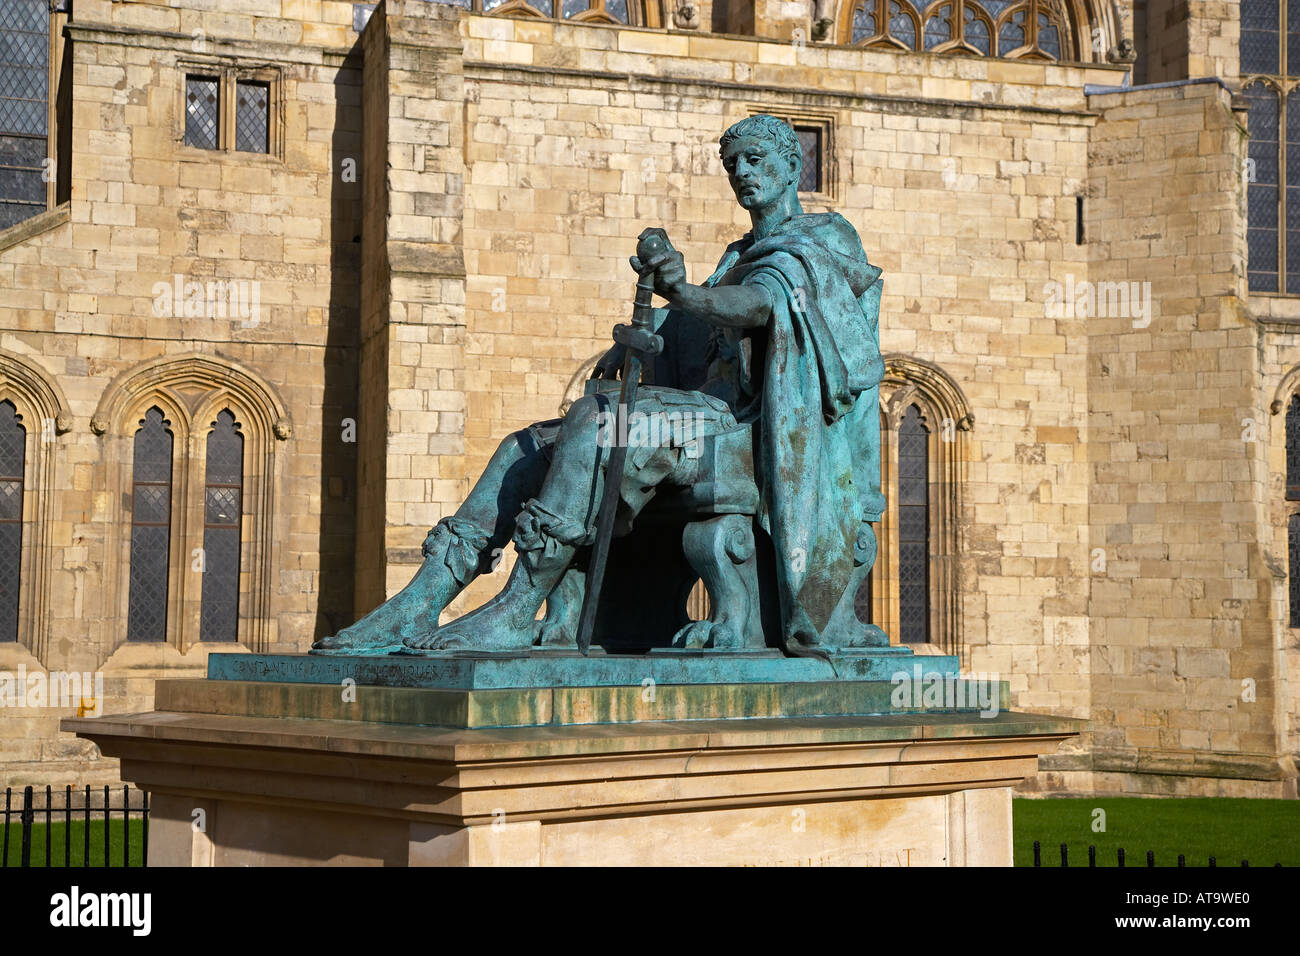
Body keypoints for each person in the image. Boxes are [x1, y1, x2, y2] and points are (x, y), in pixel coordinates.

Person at [312, 113, 885, 655]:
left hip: (755, 431)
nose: (742, 174)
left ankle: (517, 607)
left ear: (791, 164)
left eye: (755, 160)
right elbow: (703, 323)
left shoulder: (822, 239)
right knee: (525, 444)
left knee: (594, 420)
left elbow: (761, 304)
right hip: (702, 417)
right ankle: (417, 602)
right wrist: (651, 324)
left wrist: (686, 294)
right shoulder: (740, 253)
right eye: (733, 165)